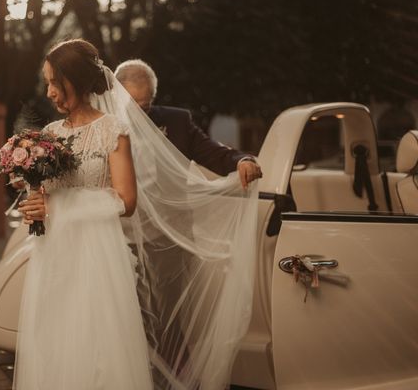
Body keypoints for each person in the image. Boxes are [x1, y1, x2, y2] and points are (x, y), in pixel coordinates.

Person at [17, 39, 260, 390]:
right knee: (79, 334)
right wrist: (37, 204)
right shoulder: (54, 134)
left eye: (145, 104)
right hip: (90, 245)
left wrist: (241, 159)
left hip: (158, 242)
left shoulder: (155, 125)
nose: (138, 112)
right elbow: (48, 189)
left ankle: (179, 383)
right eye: (132, 103)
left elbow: (210, 152)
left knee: (164, 326)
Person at [114, 59, 262, 188]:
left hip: (171, 217)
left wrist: (243, 162)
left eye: (144, 107)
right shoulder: (102, 126)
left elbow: (216, 154)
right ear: (115, 96)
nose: (138, 115)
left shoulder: (176, 122)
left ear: (152, 98)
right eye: (131, 106)